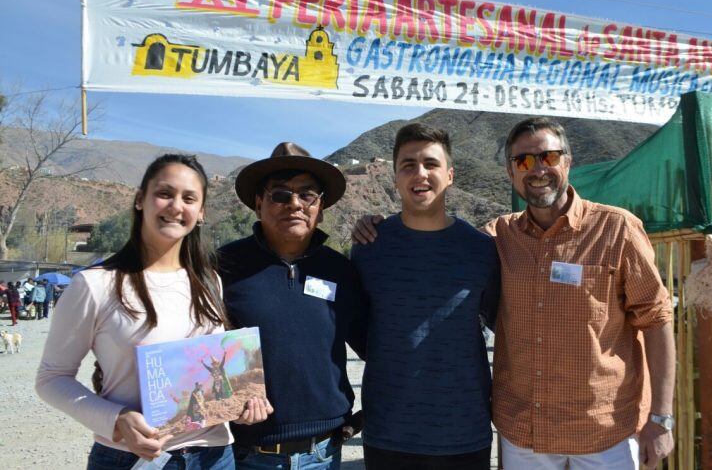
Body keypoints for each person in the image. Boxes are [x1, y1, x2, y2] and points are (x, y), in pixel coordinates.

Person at [353, 117, 676, 470]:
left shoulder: (616, 230)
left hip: (603, 433)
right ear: (510, 172)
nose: (537, 169)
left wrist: (661, 419)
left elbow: (657, 319)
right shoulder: (498, 238)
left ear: (568, 161)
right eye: (523, 161)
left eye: (548, 157)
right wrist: (370, 224)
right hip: (525, 433)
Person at [36, 154, 273, 470]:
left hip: (214, 456)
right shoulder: (95, 284)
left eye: (189, 199)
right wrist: (117, 419)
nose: (176, 206)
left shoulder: (209, 281)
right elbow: (51, 379)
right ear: (139, 200)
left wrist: (245, 402)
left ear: (200, 213)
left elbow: (217, 376)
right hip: (129, 459)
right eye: (165, 194)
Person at [350, 123, 500, 470]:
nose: (420, 173)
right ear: (395, 177)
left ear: (449, 174)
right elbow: (358, 329)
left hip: (464, 432)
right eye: (408, 164)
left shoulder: (482, 250)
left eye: (431, 164)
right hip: (388, 432)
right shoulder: (369, 247)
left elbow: (500, 324)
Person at [217, 142, 367, 470]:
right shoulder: (223, 265)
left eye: (307, 194)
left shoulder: (339, 268)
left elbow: (374, 344)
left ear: (321, 207)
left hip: (325, 452)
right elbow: (197, 348)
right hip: (248, 454)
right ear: (259, 204)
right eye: (280, 195)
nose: (294, 204)